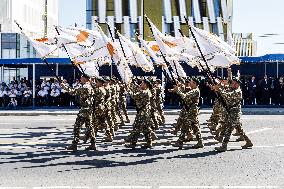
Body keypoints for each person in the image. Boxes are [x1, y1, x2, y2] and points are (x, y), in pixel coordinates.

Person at [213, 77, 253, 152]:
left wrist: (219, 90)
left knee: (229, 129)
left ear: (237, 84)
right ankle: (249, 142)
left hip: (235, 113)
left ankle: (224, 146)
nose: (231, 84)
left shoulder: (238, 91)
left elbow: (228, 96)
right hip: (231, 112)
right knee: (239, 130)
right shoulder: (233, 89)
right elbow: (225, 92)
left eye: (233, 83)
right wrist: (217, 88)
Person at [61, 74, 96, 151]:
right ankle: (93, 144)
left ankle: (74, 144)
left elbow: (73, 92)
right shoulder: (90, 86)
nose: (80, 79)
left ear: (85, 79)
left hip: (84, 109)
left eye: (82, 78)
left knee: (77, 127)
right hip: (89, 109)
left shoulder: (85, 87)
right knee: (89, 127)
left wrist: (64, 86)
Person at [171, 78, 204, 149]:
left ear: (195, 83)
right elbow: (185, 95)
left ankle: (180, 141)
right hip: (190, 110)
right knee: (192, 125)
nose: (189, 84)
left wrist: (178, 90)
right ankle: (182, 141)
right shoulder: (193, 90)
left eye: (191, 83)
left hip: (191, 110)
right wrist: (179, 90)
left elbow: (185, 97)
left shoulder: (195, 91)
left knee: (189, 125)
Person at [125, 79, 154, 149]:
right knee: (146, 128)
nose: (141, 84)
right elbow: (137, 91)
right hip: (144, 112)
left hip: (142, 113)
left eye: (142, 83)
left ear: (146, 85)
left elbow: (134, 96)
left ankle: (133, 143)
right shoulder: (146, 91)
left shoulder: (145, 92)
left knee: (136, 127)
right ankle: (149, 142)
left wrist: (128, 90)